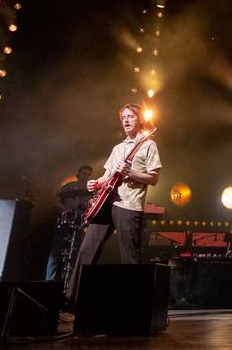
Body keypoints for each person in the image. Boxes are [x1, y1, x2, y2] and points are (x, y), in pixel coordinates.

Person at [65, 103, 161, 309]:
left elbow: (154, 178)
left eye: (130, 116)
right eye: (123, 117)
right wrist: (96, 183)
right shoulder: (118, 148)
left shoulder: (148, 145)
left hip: (128, 204)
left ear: (140, 120)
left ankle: (134, 306)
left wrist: (131, 172)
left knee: (129, 256)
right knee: (87, 249)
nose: (126, 120)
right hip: (106, 203)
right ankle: (71, 301)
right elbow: (107, 176)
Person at [46, 165, 92, 281]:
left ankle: (69, 282)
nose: (85, 176)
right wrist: (65, 209)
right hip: (65, 223)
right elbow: (55, 201)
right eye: (84, 173)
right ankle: (49, 281)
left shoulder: (90, 191)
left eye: (88, 174)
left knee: (75, 254)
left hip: (79, 225)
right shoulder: (67, 187)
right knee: (56, 253)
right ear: (78, 173)